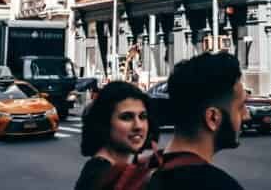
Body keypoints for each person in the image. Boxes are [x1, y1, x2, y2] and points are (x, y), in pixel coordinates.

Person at [148, 52, 249, 190]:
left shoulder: (144, 172)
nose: (246, 115)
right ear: (213, 118)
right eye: (241, 107)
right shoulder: (219, 186)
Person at [74, 81, 152, 190]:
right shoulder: (100, 175)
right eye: (126, 117)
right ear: (105, 123)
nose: (138, 126)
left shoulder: (115, 168)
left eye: (142, 116)